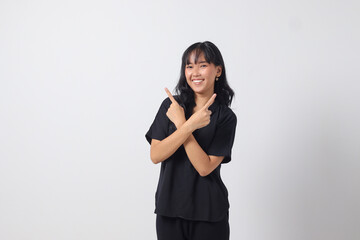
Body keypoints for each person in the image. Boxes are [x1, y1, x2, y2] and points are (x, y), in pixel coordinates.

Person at [145, 41, 237, 240]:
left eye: (202, 65)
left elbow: (204, 167)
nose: (195, 72)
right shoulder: (171, 108)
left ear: (218, 70)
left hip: (209, 213)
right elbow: (155, 155)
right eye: (189, 66)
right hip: (168, 210)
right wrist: (187, 124)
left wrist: (183, 125)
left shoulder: (225, 117)